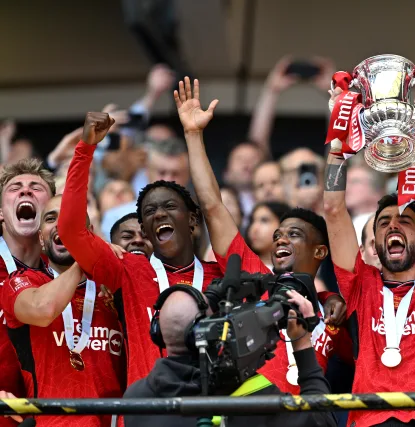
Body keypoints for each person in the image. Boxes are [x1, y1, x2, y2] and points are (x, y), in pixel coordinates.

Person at [174, 77, 349, 395]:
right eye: (278, 234)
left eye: (293, 234)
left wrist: (338, 136)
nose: (281, 239)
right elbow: (213, 207)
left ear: (321, 251)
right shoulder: (254, 278)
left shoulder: (334, 311)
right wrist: (193, 135)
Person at [324, 82, 415, 427]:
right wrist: (338, 138)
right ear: (374, 242)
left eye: (405, 221)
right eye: (384, 223)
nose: (393, 227)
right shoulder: (359, 285)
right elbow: (332, 208)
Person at [58, 112, 223, 387]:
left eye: (169, 206)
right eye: (149, 211)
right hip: (146, 415)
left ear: (192, 220)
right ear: (145, 232)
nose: (159, 214)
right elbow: (71, 231)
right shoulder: (129, 271)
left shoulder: (218, 278)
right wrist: (86, 149)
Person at [123, 285, 337, 427]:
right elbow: (322, 420)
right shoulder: (255, 401)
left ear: (159, 333)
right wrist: (302, 343)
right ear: (209, 330)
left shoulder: (135, 398)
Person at [1, 195, 125, 427]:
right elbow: (43, 309)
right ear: (40, 236)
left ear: (90, 230)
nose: (63, 224)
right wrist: (85, 256)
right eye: (51, 218)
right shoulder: (21, 283)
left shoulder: (113, 286)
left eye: (73, 219)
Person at [0, 158, 57, 427]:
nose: (25, 191)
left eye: (36, 187)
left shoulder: (62, 277)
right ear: (0, 211)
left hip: (46, 417)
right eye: (15, 188)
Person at [245, 201, 290, 271]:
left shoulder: (298, 269)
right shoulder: (242, 268)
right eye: (252, 221)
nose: (254, 228)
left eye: (264, 221)